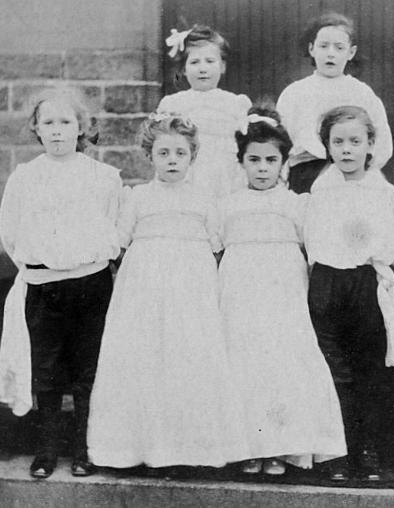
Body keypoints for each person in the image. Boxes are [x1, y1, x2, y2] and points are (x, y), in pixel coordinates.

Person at [86, 112, 249, 469]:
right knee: (143, 356)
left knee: (187, 356)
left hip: (191, 290)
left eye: (180, 153)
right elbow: (119, 241)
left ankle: (188, 449)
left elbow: (218, 245)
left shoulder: (206, 200)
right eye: (163, 153)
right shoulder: (138, 198)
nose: (172, 160)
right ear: (150, 157)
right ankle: (134, 447)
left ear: (192, 156)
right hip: (144, 290)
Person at [0, 87, 121, 479]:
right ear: (36, 128)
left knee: (88, 369)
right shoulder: (25, 177)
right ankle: (47, 449)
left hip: (90, 283)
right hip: (44, 286)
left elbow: (113, 226)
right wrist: (40, 263)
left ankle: (84, 449)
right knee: (46, 369)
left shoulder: (103, 178)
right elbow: (11, 231)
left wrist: (85, 258)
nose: (57, 131)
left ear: (81, 127)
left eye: (65, 122)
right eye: (47, 123)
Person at [218, 103, 346, 477]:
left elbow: (313, 247)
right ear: (241, 161)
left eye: (270, 160)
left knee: (282, 361)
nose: (261, 168)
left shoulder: (295, 205)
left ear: (283, 163)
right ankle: (247, 447)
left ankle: (281, 447)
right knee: (244, 361)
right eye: (253, 160)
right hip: (240, 292)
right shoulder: (227, 206)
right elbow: (215, 246)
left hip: (282, 292)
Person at [304, 105, 394, 483]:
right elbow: (313, 238)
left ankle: (368, 451)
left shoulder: (382, 191)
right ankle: (337, 451)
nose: (347, 150)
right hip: (329, 283)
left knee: (368, 365)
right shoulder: (319, 190)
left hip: (367, 282)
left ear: (370, 145)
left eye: (356, 141)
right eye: (338, 142)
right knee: (334, 368)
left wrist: (374, 261)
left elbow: (392, 239)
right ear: (327, 147)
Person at [277, 12, 393, 194]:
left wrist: (367, 171)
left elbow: (381, 141)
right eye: (323, 46)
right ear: (311, 49)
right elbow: (281, 142)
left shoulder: (362, 93)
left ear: (351, 52)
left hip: (352, 173)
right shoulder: (295, 93)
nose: (330, 53)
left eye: (339, 48)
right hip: (306, 174)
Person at [156, 24, 251, 197]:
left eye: (210, 61)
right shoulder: (173, 104)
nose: (202, 68)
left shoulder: (235, 103)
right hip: (188, 173)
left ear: (222, 66)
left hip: (225, 174)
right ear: (184, 69)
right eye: (194, 62)